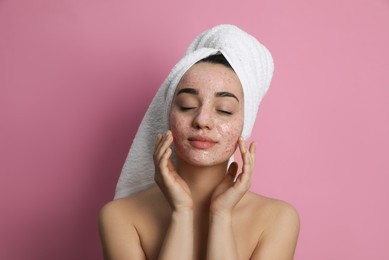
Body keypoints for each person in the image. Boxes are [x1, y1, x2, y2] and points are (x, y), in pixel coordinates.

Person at [99, 25, 300, 260]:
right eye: (187, 105)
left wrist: (221, 216)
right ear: (168, 116)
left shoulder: (277, 219)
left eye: (224, 110)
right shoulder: (120, 217)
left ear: (245, 123)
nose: (202, 120)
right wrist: (181, 213)